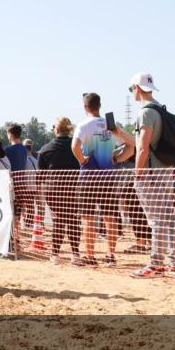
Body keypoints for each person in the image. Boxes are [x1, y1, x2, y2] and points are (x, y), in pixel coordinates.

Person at [122, 73, 175, 277]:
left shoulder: (145, 113)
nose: (132, 93)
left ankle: (156, 263)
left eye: (132, 89)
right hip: (165, 171)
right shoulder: (160, 109)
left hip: (150, 173)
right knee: (169, 217)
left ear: (137, 89)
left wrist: (138, 174)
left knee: (156, 219)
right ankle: (174, 262)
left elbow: (143, 147)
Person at [72, 93, 124, 266]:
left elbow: (74, 146)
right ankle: (111, 255)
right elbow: (125, 145)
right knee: (110, 217)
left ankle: (90, 256)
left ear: (85, 107)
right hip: (108, 175)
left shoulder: (83, 124)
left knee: (88, 218)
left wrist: (81, 160)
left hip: (89, 176)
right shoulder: (110, 125)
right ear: (99, 106)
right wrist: (117, 158)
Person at [37, 117, 82, 264]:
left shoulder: (45, 150)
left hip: (53, 191)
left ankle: (55, 255)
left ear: (56, 130)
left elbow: (41, 176)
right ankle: (75, 255)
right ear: (69, 129)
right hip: (74, 190)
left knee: (59, 221)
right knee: (73, 221)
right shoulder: (77, 147)